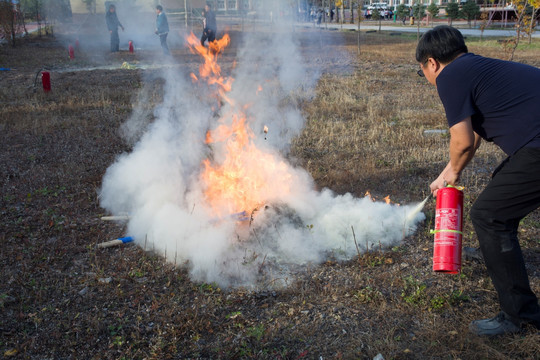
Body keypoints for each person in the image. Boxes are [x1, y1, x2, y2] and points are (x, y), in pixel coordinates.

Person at [416, 25, 540, 336]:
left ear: (431, 63)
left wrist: (454, 171)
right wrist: (448, 171)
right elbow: (472, 137)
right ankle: (493, 251)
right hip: (533, 144)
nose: (429, 80)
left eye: (424, 72)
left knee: (489, 215)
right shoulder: (478, 67)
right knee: (500, 189)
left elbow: (462, 142)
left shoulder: (450, 75)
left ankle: (519, 315)